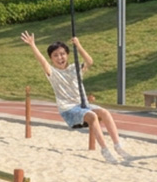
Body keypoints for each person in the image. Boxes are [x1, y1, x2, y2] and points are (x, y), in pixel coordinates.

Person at [20, 31, 133, 164]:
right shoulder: (52, 72)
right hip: (69, 109)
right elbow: (42, 61)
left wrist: (78, 45)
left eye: (62, 54)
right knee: (92, 116)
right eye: (55, 55)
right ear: (51, 59)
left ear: (67, 55)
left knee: (105, 112)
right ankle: (105, 150)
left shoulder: (75, 68)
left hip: (83, 105)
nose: (60, 58)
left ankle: (118, 146)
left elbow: (89, 61)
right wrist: (32, 45)